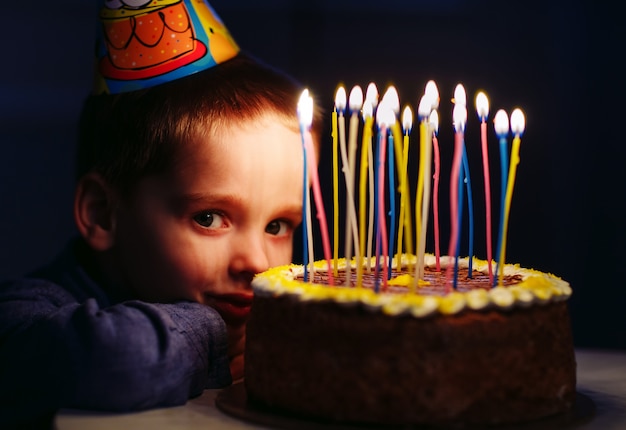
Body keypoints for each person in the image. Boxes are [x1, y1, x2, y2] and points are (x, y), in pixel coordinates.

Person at [0, 1, 322, 428]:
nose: (257, 263)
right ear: (102, 215)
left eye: (278, 226)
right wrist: (214, 340)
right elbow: (115, 360)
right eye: (209, 218)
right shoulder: (25, 319)